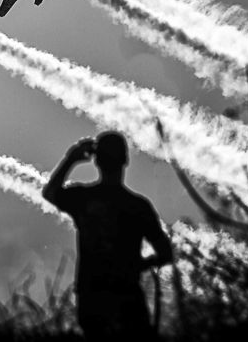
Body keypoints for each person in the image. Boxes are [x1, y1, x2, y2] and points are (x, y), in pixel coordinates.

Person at [43, 130, 173, 341]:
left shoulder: (83, 199)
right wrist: (139, 265)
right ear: (125, 161)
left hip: (91, 297)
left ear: (97, 161)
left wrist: (71, 159)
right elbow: (166, 253)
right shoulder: (138, 206)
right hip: (127, 296)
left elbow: (50, 192)